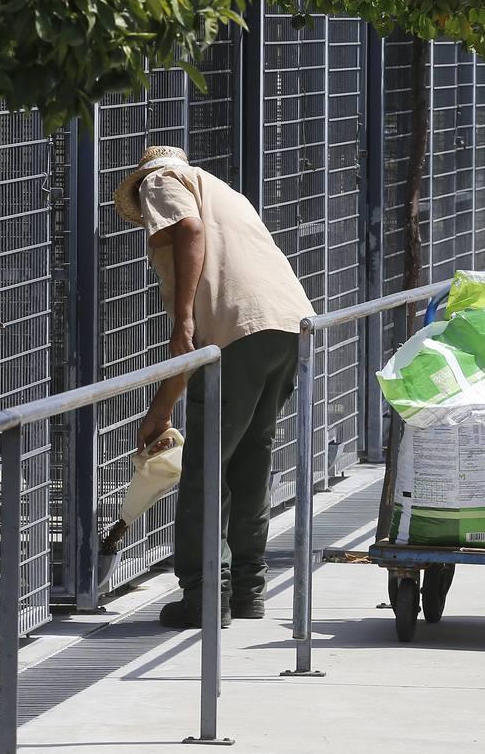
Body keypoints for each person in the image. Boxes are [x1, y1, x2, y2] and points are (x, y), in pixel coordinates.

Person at [113, 145, 315, 629]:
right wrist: (162, 412)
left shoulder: (160, 181)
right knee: (250, 463)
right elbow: (200, 346)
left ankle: (204, 593)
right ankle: (248, 590)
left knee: (206, 469)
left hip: (238, 334)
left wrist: (181, 316)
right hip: (289, 326)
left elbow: (187, 231)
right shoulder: (222, 191)